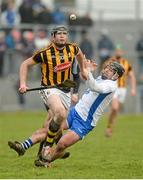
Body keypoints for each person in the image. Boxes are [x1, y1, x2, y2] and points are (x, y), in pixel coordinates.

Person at [8, 61, 125, 168]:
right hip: (75, 111)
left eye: (110, 70)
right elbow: (86, 78)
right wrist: (85, 67)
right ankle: (23, 146)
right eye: (106, 68)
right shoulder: (101, 78)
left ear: (116, 76)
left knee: (62, 144)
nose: (105, 70)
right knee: (49, 128)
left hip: (85, 122)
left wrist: (88, 71)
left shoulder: (111, 85)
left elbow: (94, 86)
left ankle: (46, 160)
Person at [8, 25, 87, 166]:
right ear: (53, 36)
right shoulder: (44, 53)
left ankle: (32, 151)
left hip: (65, 91)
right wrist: (23, 84)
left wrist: (83, 70)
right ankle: (47, 148)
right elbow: (25, 64)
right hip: (48, 89)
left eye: (64, 34)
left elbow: (80, 54)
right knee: (60, 113)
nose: (62, 36)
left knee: (54, 126)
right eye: (59, 34)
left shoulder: (72, 48)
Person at [104, 47, 136, 137]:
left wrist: (133, 89)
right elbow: (103, 69)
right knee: (114, 107)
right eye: (117, 51)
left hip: (123, 89)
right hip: (113, 88)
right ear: (115, 52)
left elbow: (132, 76)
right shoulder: (111, 62)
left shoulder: (126, 63)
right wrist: (108, 63)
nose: (118, 52)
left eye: (120, 51)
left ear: (122, 52)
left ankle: (110, 126)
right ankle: (109, 127)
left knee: (116, 110)